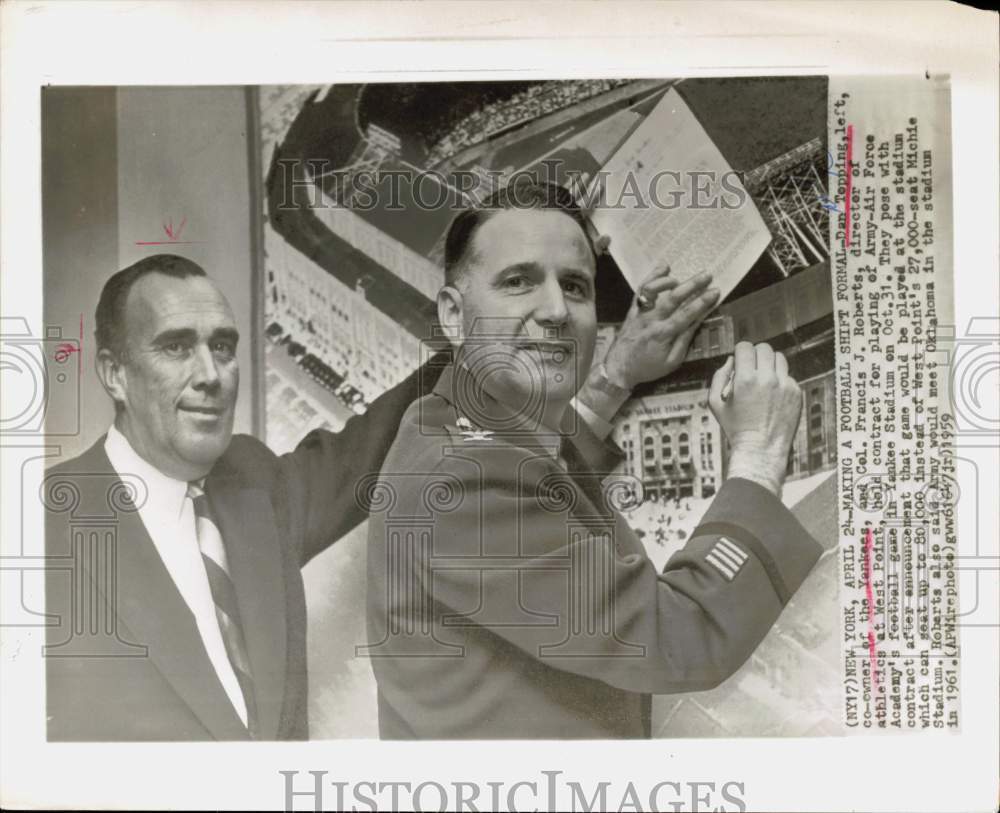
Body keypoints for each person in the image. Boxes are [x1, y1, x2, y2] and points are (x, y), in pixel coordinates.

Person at [43, 243, 713, 741]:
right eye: (174, 347)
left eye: (222, 345)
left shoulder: (250, 483)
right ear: (114, 372)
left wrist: (534, 325)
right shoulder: (42, 528)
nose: (211, 374)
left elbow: (385, 429)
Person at [366, 182, 822, 739]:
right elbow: (682, 637)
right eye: (518, 282)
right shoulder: (460, 484)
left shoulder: (446, 423)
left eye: (575, 287)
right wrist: (758, 453)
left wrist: (617, 372)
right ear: (454, 316)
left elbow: (533, 468)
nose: (556, 310)